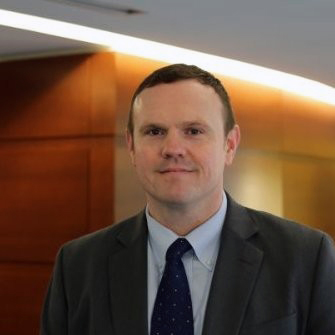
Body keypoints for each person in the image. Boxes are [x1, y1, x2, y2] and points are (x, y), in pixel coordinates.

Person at [40, 64, 335, 335]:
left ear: (229, 145)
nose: (173, 148)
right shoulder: (78, 265)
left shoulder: (305, 257)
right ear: (131, 146)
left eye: (193, 131)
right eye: (154, 131)